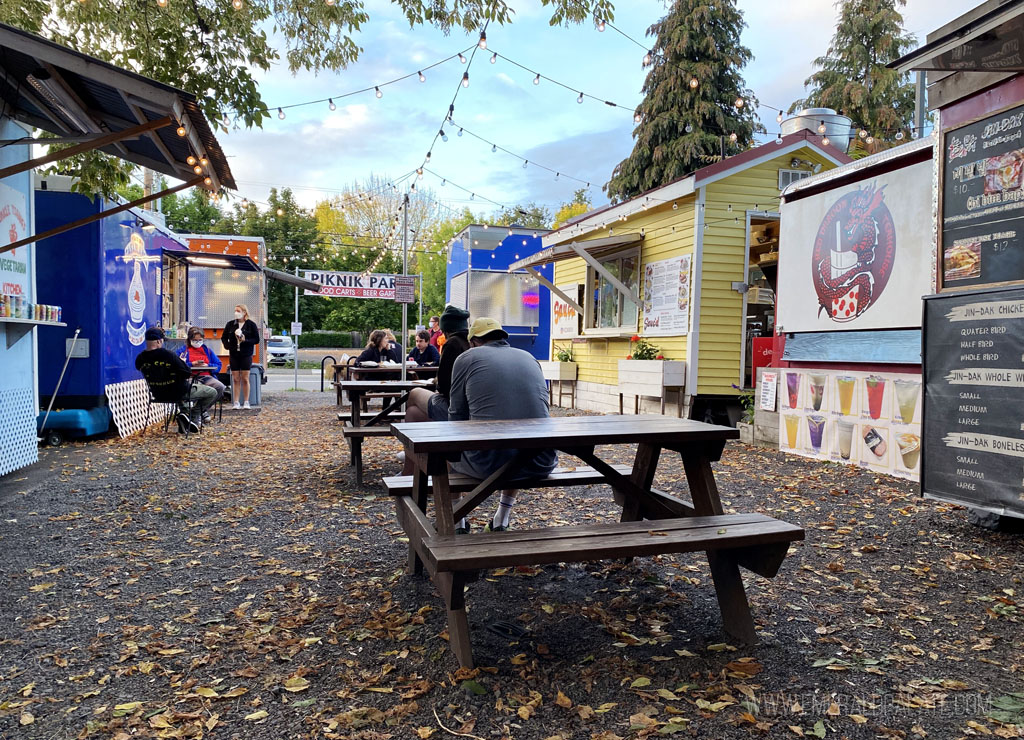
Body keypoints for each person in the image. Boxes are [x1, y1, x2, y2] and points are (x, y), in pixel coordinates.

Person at [448, 317, 556, 533]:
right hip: (541, 461)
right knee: (517, 442)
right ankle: (501, 519)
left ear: (473, 342)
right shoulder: (529, 357)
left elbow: (456, 415)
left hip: (487, 465)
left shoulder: (466, 358)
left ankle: (457, 520)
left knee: (444, 447)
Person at [399, 305, 471, 475]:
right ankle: (412, 464)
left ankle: (411, 463)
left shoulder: (452, 343)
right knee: (413, 413)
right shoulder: (471, 342)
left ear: (446, 328)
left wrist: (436, 384)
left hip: (456, 407)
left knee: (414, 394)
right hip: (471, 408)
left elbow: (444, 384)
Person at [136, 327, 216, 433]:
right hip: (178, 392)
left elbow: (139, 368)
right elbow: (187, 372)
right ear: (159, 341)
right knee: (212, 392)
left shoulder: (140, 358)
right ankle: (191, 416)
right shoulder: (169, 355)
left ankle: (185, 416)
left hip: (157, 393)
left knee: (181, 387)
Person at [177, 327, 225, 421]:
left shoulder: (208, 350)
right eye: (195, 340)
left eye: (200, 340)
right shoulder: (182, 351)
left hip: (206, 376)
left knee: (220, 387)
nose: (198, 342)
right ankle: (194, 413)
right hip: (190, 376)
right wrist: (192, 364)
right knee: (194, 388)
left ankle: (200, 410)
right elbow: (177, 365)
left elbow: (218, 364)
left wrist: (208, 365)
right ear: (189, 339)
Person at [221, 304, 259, 410]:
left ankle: (246, 401)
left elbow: (256, 339)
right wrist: (228, 346)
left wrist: (245, 340)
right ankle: (236, 401)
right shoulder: (230, 325)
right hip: (234, 354)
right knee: (235, 378)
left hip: (246, 354)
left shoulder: (251, 325)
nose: (236, 313)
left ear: (244, 312)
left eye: (238, 311)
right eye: (235, 311)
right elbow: (223, 337)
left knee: (245, 378)